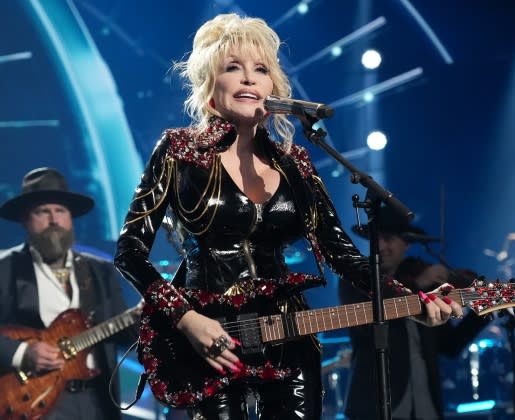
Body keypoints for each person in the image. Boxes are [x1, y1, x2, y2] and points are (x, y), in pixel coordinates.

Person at [113, 13, 463, 420]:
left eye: (260, 69)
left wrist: (412, 300)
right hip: (210, 340)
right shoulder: (179, 150)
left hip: (289, 335)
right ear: (211, 87)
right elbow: (130, 252)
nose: (248, 78)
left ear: (272, 87)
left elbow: (342, 254)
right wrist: (188, 319)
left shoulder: (295, 163)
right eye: (233, 68)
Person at [0, 167, 138, 419]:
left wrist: (147, 315)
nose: (54, 220)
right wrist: (21, 353)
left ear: (70, 218)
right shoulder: (1, 267)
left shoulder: (99, 270)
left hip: (95, 401)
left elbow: (123, 333)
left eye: (60, 211)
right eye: (42, 212)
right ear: (25, 219)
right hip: (31, 401)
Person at [339, 205, 491, 420]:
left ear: (407, 243)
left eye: (389, 238)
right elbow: (368, 326)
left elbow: (449, 345)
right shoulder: (356, 278)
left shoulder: (424, 282)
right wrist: (419, 285)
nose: (381, 246)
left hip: (424, 406)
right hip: (375, 407)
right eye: (376, 239)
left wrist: (484, 310)